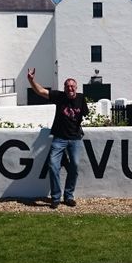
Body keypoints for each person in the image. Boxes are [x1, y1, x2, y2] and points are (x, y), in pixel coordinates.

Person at [27, 68, 89, 209]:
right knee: (53, 166)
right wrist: (31, 80)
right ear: (64, 88)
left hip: (75, 138)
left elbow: (83, 116)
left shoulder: (81, 98)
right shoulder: (59, 96)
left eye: (72, 86)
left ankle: (69, 196)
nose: (70, 88)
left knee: (74, 165)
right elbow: (41, 91)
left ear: (76, 87)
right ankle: (55, 197)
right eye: (67, 86)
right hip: (59, 139)